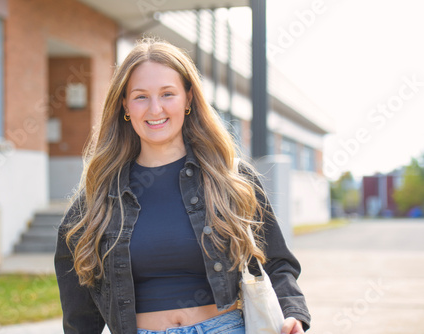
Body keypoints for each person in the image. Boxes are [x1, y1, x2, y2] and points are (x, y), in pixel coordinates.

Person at [54, 38, 311, 334]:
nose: (155, 108)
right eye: (140, 97)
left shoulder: (230, 179)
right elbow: (79, 302)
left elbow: (277, 262)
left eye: (167, 94)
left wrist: (293, 314)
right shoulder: (97, 198)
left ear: (189, 98)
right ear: (124, 104)